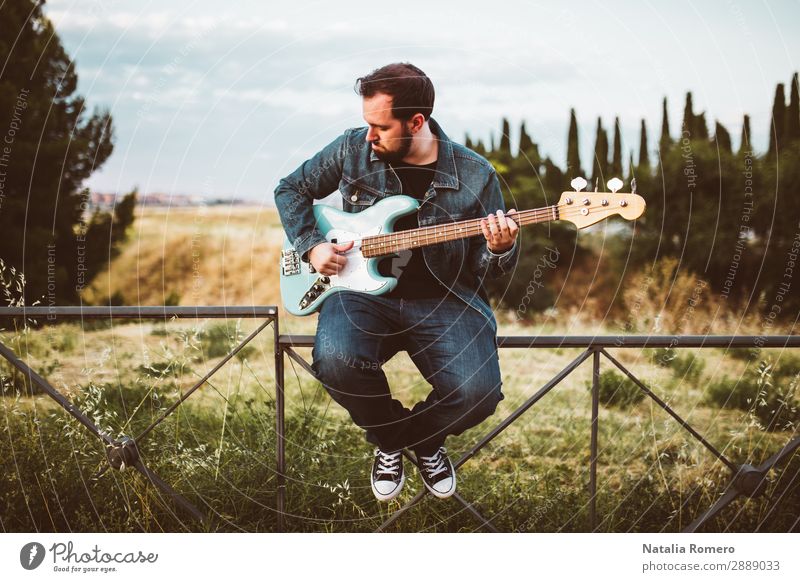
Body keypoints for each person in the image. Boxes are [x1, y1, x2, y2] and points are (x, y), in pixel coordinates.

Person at [274, 62, 519, 501]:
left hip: (444, 298)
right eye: (367, 123)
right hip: (357, 294)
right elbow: (290, 189)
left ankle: (420, 440)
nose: (369, 135)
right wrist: (312, 246)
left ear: (417, 121)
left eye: (380, 126)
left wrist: (500, 247)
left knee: (478, 392)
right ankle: (390, 438)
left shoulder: (476, 174)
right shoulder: (352, 148)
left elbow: (488, 268)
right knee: (334, 360)